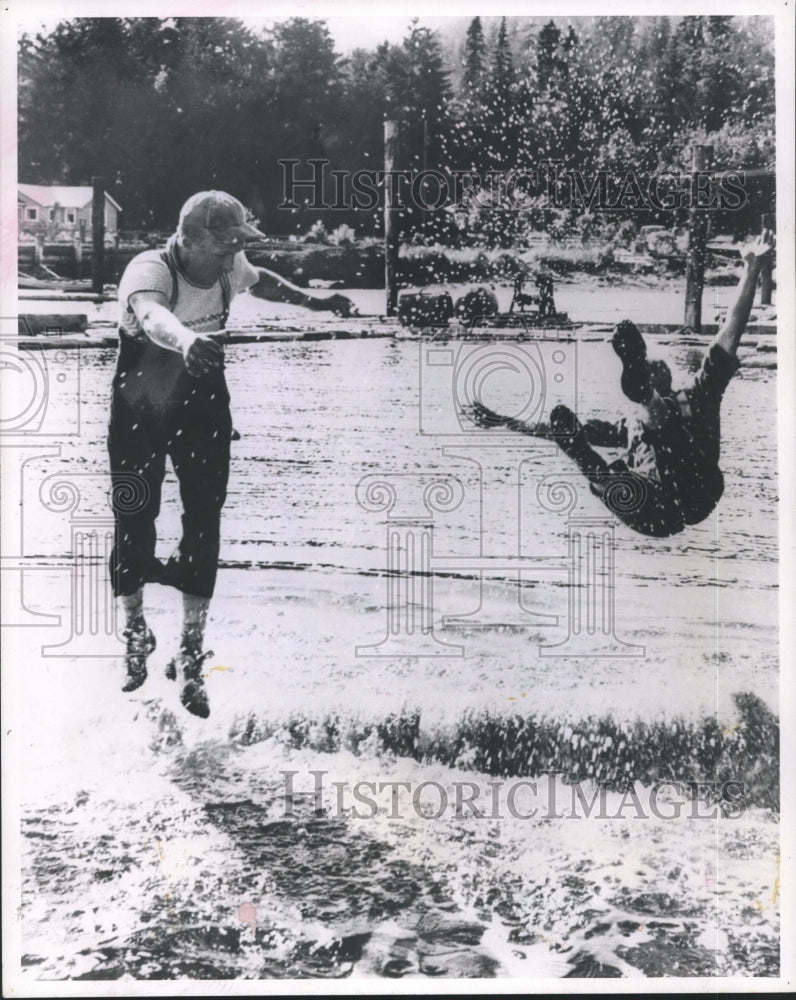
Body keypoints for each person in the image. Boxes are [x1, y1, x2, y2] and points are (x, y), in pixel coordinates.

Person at [109, 190, 358, 716]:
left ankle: (192, 652)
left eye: (236, 247)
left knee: (204, 521)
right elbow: (153, 318)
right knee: (135, 517)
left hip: (201, 398)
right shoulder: (148, 270)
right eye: (225, 248)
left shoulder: (230, 266)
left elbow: (261, 279)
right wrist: (187, 342)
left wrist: (315, 300)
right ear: (189, 239)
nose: (233, 258)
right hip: (142, 398)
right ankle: (134, 631)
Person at [468, 230, 775, 537]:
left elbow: (728, 335)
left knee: (661, 426)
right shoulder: (628, 428)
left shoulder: (699, 394)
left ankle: (627, 418)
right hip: (652, 511)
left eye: (652, 371)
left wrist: (752, 269)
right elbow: (554, 430)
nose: (655, 371)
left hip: (697, 492)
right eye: (645, 371)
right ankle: (587, 460)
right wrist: (506, 421)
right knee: (608, 474)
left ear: (667, 380)